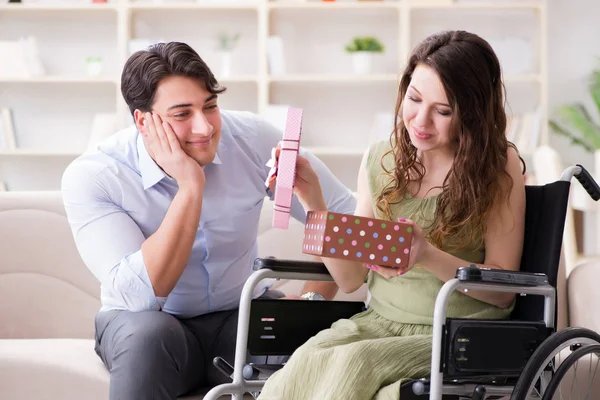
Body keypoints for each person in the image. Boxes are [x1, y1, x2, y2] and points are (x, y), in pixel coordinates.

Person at [60, 41, 356, 400]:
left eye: (210, 106)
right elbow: (140, 298)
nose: (204, 127)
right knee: (150, 337)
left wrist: (313, 298)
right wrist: (189, 186)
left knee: (301, 342)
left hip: (239, 314)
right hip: (145, 324)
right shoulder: (96, 175)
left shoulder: (254, 141)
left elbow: (348, 214)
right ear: (143, 120)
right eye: (182, 114)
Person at [257, 30, 526, 400]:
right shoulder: (381, 160)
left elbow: (502, 294)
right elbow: (351, 279)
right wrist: (312, 199)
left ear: (473, 113)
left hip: (455, 332)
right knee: (304, 363)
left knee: (353, 366)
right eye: (414, 99)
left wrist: (427, 254)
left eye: (443, 111)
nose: (421, 120)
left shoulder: (497, 164)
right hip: (376, 325)